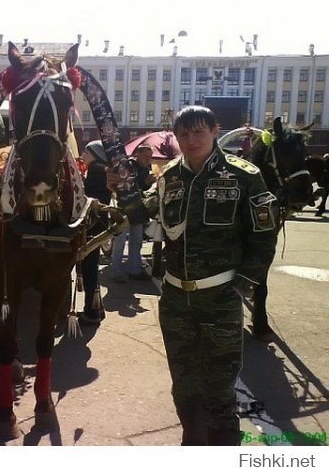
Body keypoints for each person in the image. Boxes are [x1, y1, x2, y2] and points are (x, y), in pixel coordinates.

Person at [156, 106, 278, 445]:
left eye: (198, 132)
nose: (191, 140)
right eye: (183, 134)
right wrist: (120, 190)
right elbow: (144, 213)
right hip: (175, 299)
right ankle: (192, 444)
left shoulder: (244, 175)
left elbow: (264, 234)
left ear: (215, 130)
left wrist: (243, 286)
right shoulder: (168, 177)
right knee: (183, 384)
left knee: (219, 388)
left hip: (220, 298)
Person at [110, 144, 155, 282]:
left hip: (139, 209)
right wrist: (144, 182)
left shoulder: (146, 168)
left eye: (150, 157)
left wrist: (148, 183)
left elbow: (142, 188)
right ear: (138, 154)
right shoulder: (128, 165)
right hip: (124, 207)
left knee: (137, 240)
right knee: (120, 241)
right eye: (146, 156)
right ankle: (116, 272)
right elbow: (127, 184)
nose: (148, 160)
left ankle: (134, 269)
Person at [78, 140, 112, 326]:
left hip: (92, 223)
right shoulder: (101, 169)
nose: (83, 154)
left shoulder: (97, 169)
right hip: (98, 222)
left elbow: (88, 197)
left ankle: (91, 312)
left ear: (96, 154)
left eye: (87, 151)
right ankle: (97, 307)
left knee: (89, 266)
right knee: (92, 265)